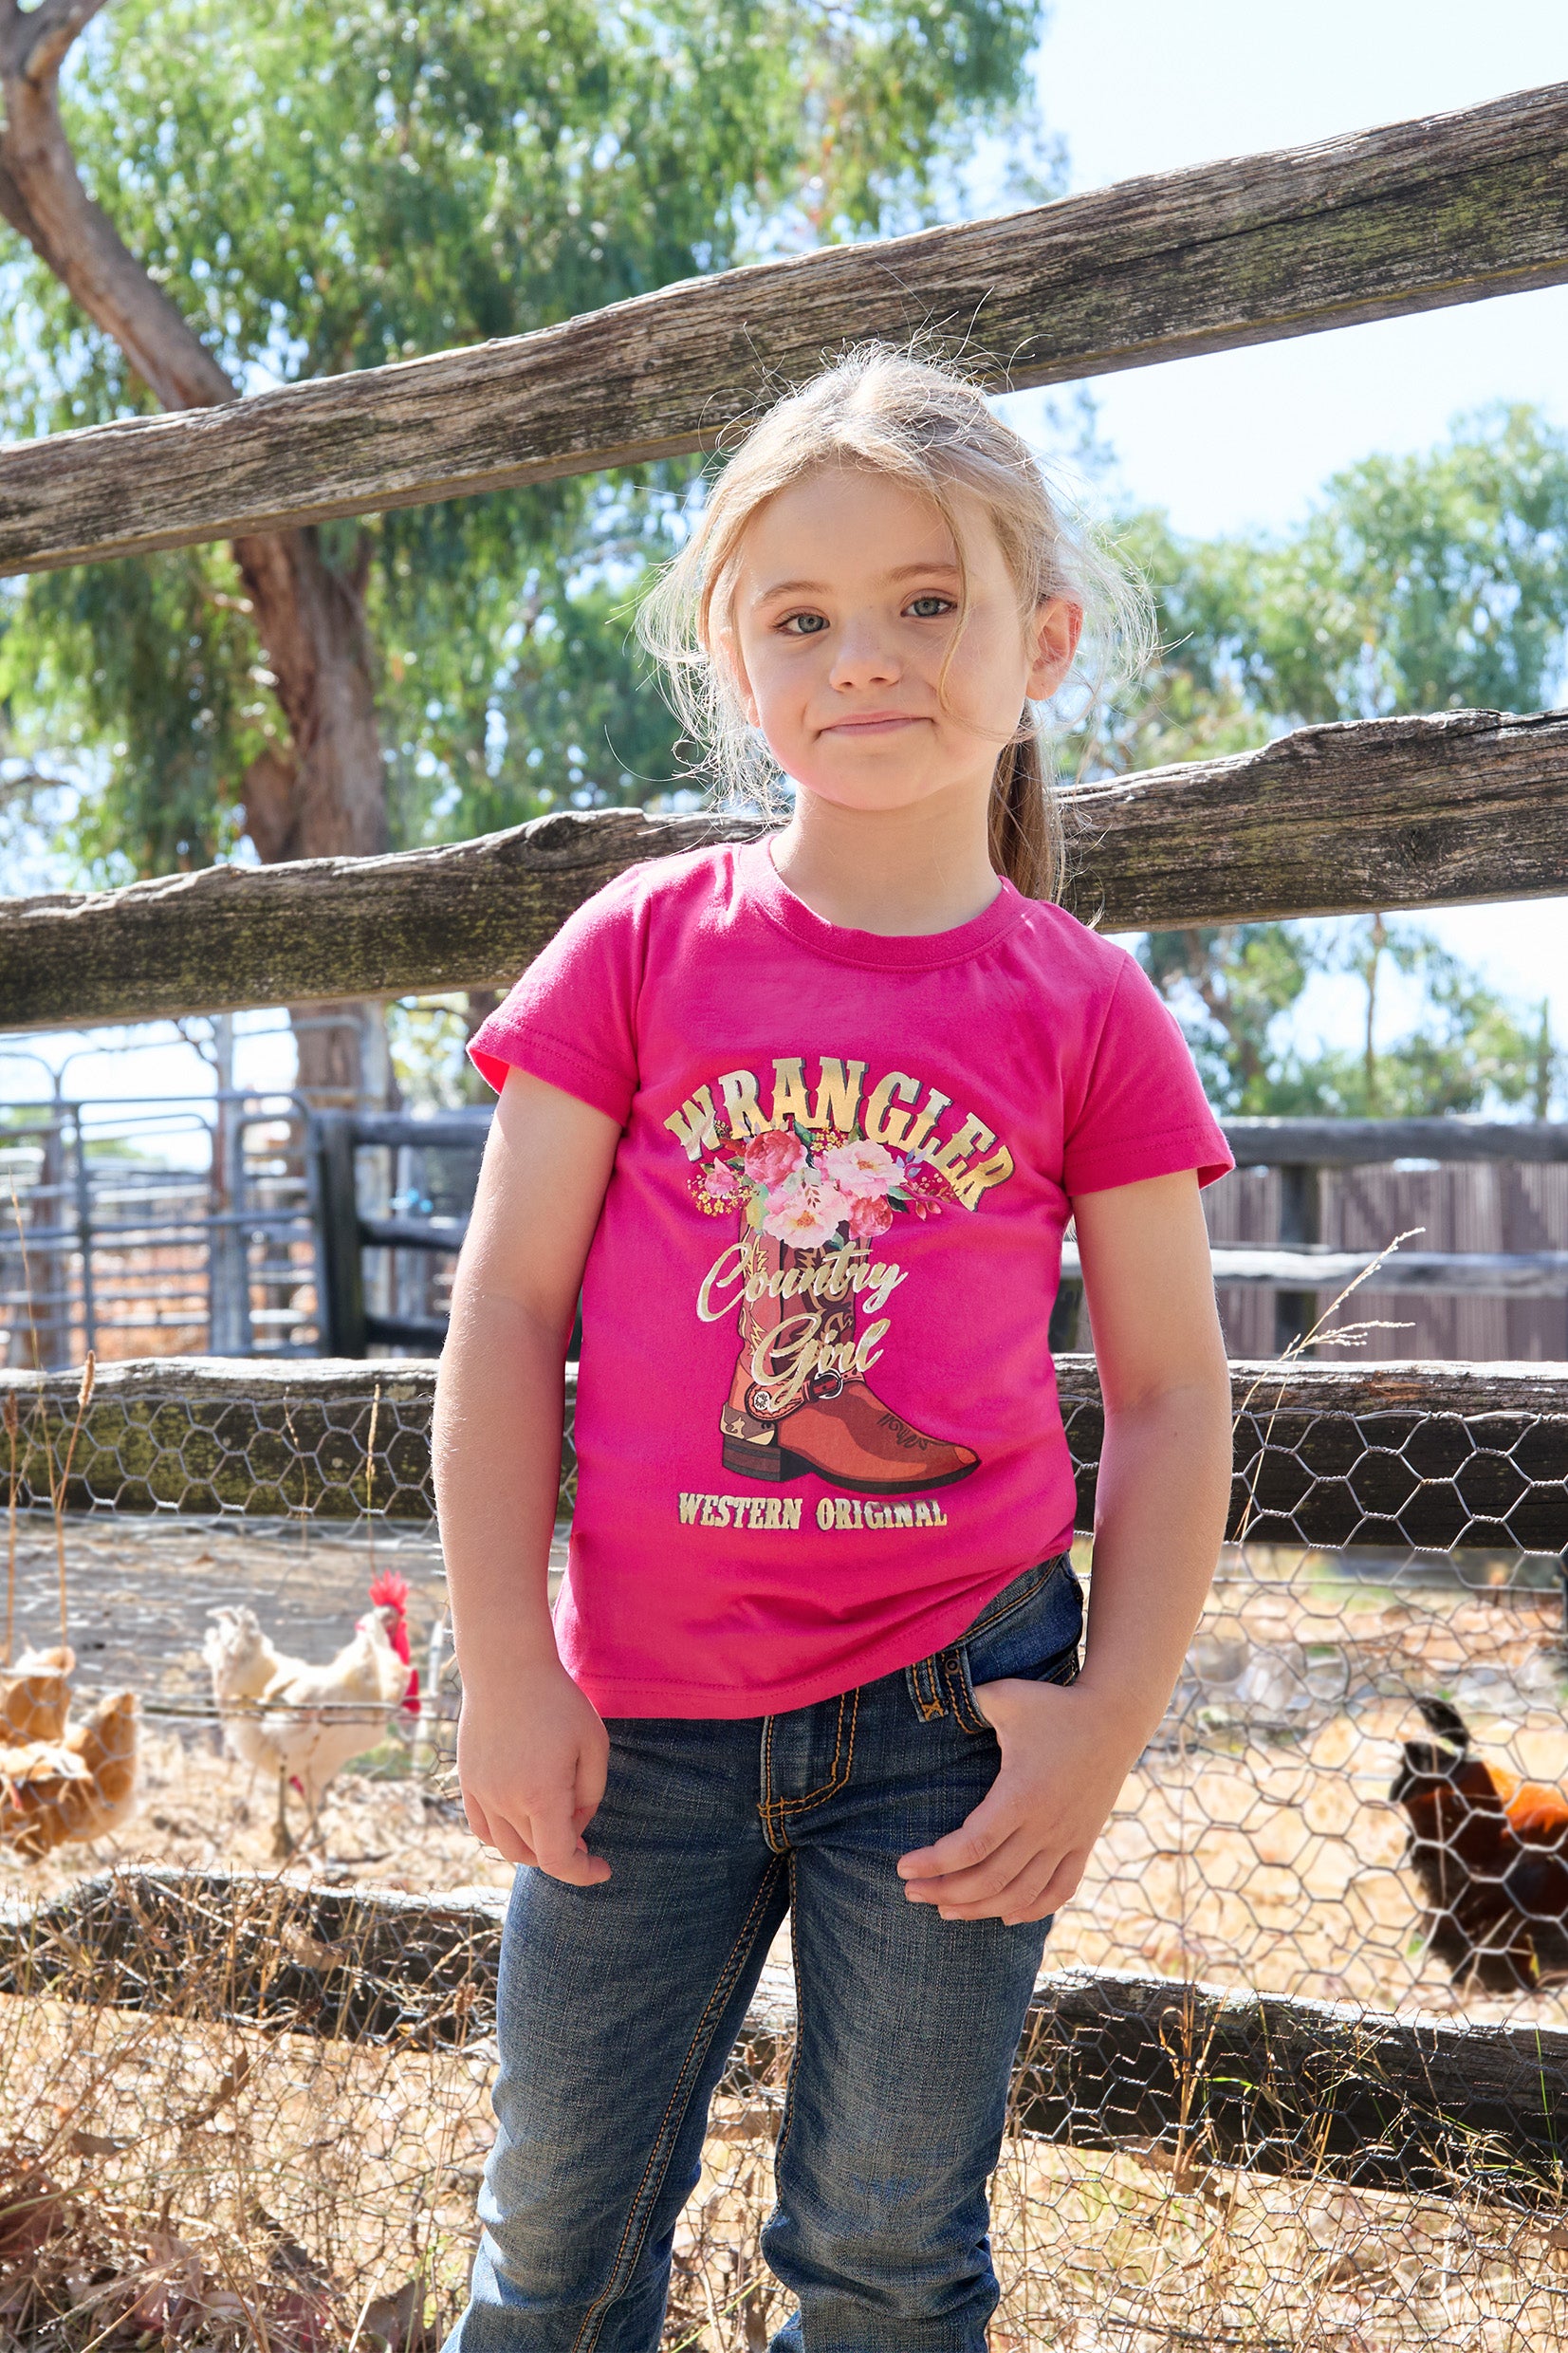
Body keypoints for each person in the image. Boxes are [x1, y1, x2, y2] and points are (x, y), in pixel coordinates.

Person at [434, 345, 1235, 2352]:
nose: (862, 656)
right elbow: (506, 1312)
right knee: (550, 2248)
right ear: (731, 657)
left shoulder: (1084, 1008)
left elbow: (1166, 1393)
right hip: (635, 1722)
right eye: (798, 617)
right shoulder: (639, 947)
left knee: (886, 2259)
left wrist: (1106, 1719)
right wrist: (507, 1663)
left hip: (957, 1720)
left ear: (1042, 641)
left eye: (926, 601)